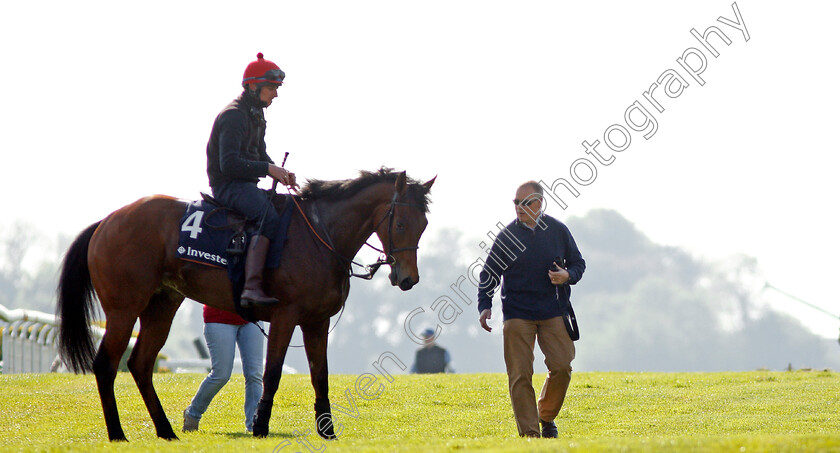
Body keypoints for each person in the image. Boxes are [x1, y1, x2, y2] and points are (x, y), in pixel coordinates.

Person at [476, 181, 586, 439]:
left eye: (524, 203)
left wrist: (567, 275)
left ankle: (545, 417)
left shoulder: (558, 230)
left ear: (539, 203)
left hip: (554, 310)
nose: (519, 208)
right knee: (520, 375)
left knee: (562, 366)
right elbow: (489, 273)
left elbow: (579, 263)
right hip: (517, 314)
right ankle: (530, 435)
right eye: (515, 202)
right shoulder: (507, 236)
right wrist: (484, 305)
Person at [206, 52, 298, 307]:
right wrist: (268, 169)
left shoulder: (256, 115)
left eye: (276, 88)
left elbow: (259, 154)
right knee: (267, 217)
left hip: (245, 185)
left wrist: (279, 171)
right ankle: (251, 287)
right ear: (253, 86)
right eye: (271, 88)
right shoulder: (234, 115)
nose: (276, 94)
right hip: (227, 187)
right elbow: (230, 163)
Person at [183, 305, 264, 433]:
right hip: (218, 318)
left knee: (255, 374)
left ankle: (253, 424)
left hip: (251, 318)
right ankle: (193, 414)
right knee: (220, 375)